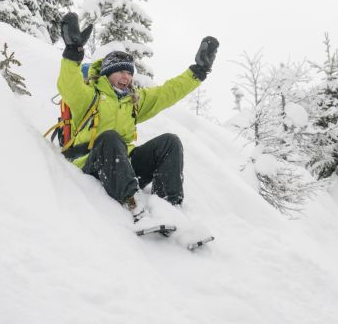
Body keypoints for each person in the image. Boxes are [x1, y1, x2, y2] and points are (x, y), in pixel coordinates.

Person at [57, 12, 219, 223]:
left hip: (123, 166)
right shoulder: (89, 95)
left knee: (169, 142)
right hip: (92, 163)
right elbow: (68, 85)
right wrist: (73, 52)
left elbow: (166, 92)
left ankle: (169, 207)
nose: (126, 77)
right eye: (120, 72)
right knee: (110, 137)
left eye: (129, 73)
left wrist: (198, 71)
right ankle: (133, 205)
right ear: (107, 73)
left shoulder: (132, 101)